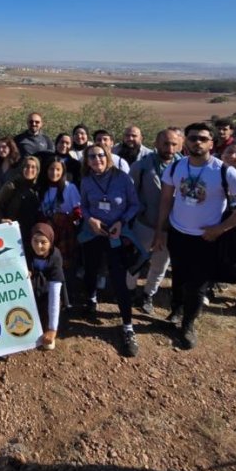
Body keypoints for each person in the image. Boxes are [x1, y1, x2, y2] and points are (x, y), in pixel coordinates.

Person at [154, 122, 236, 350]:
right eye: (192, 138)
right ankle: (176, 311)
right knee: (179, 276)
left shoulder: (224, 171)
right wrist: (160, 230)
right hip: (178, 233)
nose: (197, 142)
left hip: (206, 238)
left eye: (202, 138)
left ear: (212, 143)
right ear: (185, 142)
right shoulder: (176, 167)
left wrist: (220, 229)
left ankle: (188, 325)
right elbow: (166, 201)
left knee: (198, 284)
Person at [79, 144, 141, 357]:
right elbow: (84, 206)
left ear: (108, 157)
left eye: (100, 155)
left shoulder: (122, 178)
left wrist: (121, 222)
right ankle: (91, 300)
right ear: (87, 161)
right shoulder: (86, 181)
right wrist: (90, 220)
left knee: (118, 279)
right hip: (94, 233)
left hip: (116, 234)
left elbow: (135, 204)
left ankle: (127, 326)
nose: (97, 159)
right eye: (92, 157)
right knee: (91, 270)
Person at [129, 129, 182, 315]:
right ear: (157, 144)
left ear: (180, 145)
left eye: (174, 144)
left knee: (160, 264)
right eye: (166, 143)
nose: (169, 148)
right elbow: (131, 193)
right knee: (135, 260)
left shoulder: (184, 168)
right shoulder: (141, 166)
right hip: (144, 224)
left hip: (171, 226)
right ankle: (129, 291)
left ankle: (148, 294)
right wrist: (141, 210)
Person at [37, 155, 82, 276]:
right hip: (47, 232)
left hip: (65, 232)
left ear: (63, 171)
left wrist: (64, 219)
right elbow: (40, 211)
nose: (54, 172)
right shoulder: (42, 189)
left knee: (64, 266)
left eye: (58, 169)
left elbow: (78, 211)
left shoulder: (69, 187)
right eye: (51, 169)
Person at [0, 155, 42, 256]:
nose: (29, 169)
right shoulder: (12, 185)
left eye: (33, 167)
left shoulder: (38, 187)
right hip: (14, 231)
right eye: (26, 166)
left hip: (31, 232)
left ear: (37, 170)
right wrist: (3, 222)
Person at [27, 223, 65, 351]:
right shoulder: (26, 252)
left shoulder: (55, 257)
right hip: (30, 294)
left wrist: (52, 329)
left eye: (43, 242)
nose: (38, 246)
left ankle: (48, 327)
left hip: (46, 294)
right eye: (35, 241)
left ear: (51, 242)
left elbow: (54, 294)